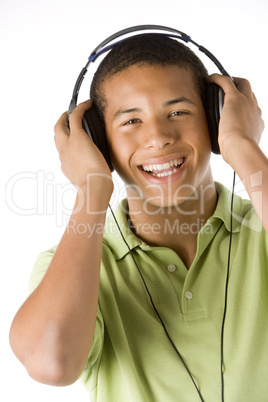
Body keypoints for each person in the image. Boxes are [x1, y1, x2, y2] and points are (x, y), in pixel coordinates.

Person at [9, 33, 266, 402]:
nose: (158, 137)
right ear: (98, 141)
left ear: (216, 116)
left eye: (178, 112)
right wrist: (92, 188)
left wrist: (244, 147)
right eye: (131, 121)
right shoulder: (68, 266)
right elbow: (52, 364)